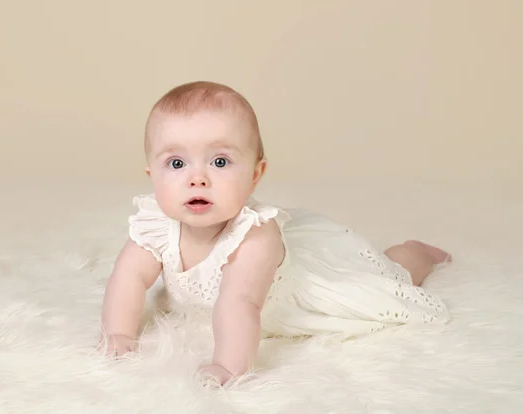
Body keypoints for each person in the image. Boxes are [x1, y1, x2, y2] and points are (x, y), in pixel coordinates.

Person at [99, 81, 452, 385]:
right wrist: (119, 333)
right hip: (233, 304)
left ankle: (418, 251)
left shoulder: (254, 238)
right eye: (176, 163)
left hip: (290, 297)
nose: (197, 178)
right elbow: (126, 279)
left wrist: (228, 366)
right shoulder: (155, 226)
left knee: (389, 275)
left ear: (255, 174)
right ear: (152, 175)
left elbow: (241, 303)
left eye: (220, 161)